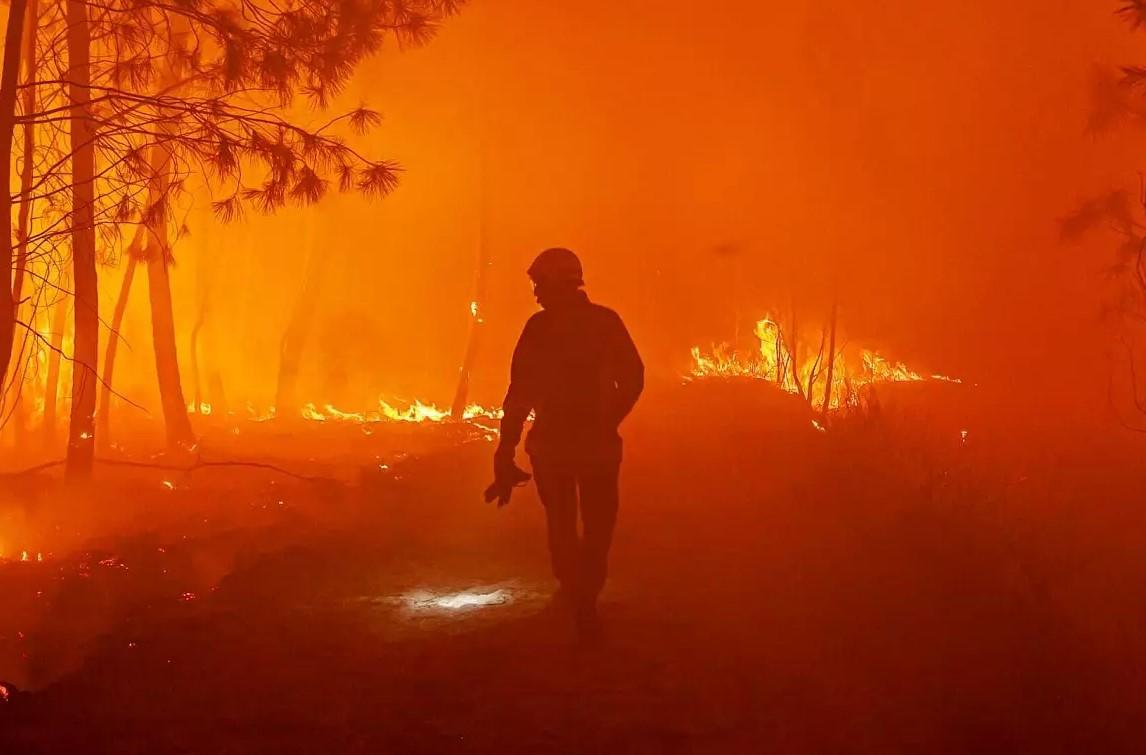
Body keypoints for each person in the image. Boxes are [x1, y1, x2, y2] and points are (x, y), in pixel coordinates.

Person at [489, 248, 644, 637]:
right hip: (595, 447)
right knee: (597, 525)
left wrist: (505, 450)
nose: (536, 293)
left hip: (555, 447)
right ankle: (584, 596)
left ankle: (577, 592)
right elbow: (633, 378)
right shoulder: (605, 323)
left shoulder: (539, 330)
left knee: (562, 522)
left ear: (559, 283)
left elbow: (519, 394)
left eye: (539, 284)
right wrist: (609, 418)